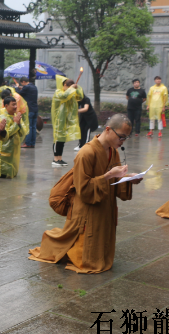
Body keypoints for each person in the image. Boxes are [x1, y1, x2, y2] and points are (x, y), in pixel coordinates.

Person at [29, 114, 140, 274]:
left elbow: (115, 180)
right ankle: (54, 243)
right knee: (87, 260)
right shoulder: (86, 153)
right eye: (121, 137)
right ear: (108, 130)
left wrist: (129, 179)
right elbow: (83, 189)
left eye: (125, 138)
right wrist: (109, 175)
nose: (122, 142)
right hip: (87, 207)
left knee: (100, 250)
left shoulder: (113, 152)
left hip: (105, 204)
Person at [51, 76, 83, 167]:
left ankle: (60, 158)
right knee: (57, 139)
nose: (69, 89)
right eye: (68, 87)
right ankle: (55, 159)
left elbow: (80, 97)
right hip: (58, 120)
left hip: (65, 121)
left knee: (62, 140)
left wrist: (77, 88)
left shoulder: (70, 93)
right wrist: (72, 89)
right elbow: (64, 96)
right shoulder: (58, 92)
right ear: (64, 85)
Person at [0, 96, 29, 179]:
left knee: (14, 165)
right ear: (6, 106)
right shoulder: (2, 117)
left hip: (15, 148)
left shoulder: (16, 115)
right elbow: (6, 134)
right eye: (13, 105)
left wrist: (18, 124)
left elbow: (23, 133)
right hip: (5, 148)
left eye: (16, 104)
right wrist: (16, 124)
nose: (15, 107)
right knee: (5, 169)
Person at [15, 76, 38, 148]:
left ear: (23, 82)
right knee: (33, 127)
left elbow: (18, 94)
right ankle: (32, 143)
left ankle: (27, 143)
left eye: (22, 84)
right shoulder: (34, 87)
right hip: (35, 109)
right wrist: (22, 88)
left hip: (29, 109)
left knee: (29, 127)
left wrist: (17, 87)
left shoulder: (26, 87)